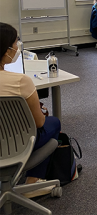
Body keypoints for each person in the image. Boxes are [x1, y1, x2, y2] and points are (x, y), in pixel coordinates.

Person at [0, 23, 61, 196]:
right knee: (53, 122)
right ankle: (32, 182)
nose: (17, 47)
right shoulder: (20, 81)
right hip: (15, 142)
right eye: (15, 43)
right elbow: (39, 122)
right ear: (6, 51)